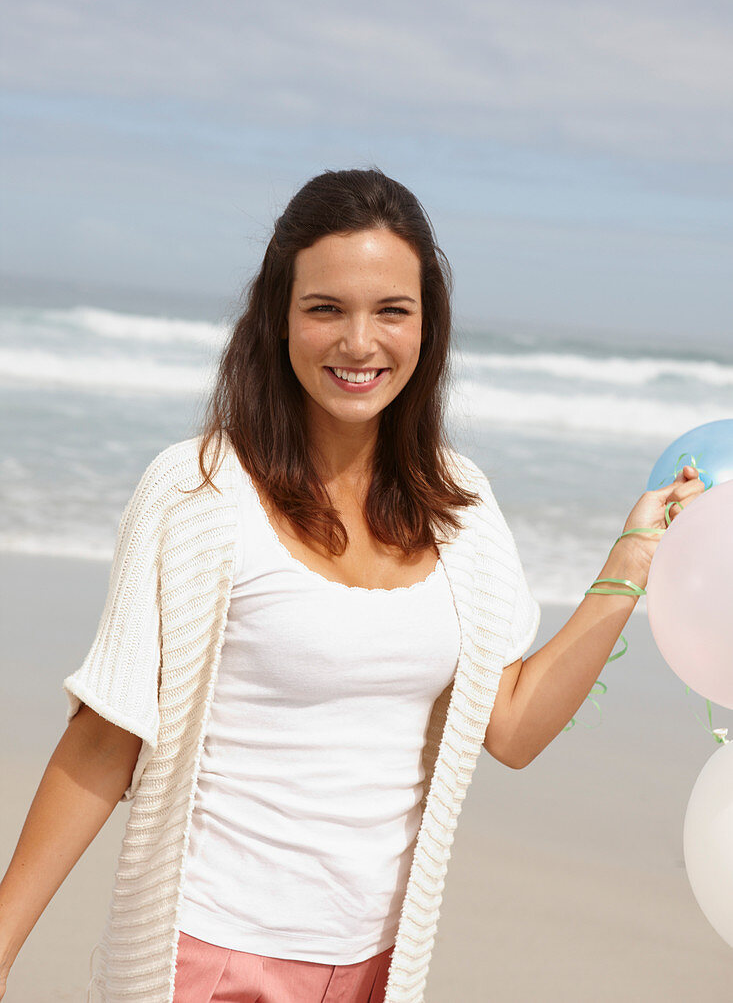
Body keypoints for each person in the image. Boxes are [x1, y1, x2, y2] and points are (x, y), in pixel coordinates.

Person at [0, 168, 705, 1003]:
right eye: (325, 308)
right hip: (209, 958)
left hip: (378, 968)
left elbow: (511, 727)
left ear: (427, 325)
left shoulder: (463, 508)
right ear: (279, 318)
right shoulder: (197, 493)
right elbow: (104, 737)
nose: (359, 343)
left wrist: (627, 564)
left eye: (391, 311)